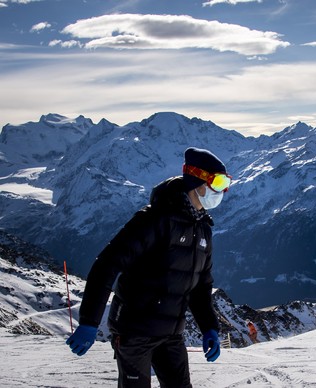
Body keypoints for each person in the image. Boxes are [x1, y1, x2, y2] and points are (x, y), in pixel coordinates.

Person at [66, 147, 231, 387]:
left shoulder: (202, 229)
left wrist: (209, 328)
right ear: (198, 180)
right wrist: (89, 321)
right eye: (218, 181)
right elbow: (107, 264)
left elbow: (201, 287)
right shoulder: (155, 219)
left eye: (226, 182)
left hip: (171, 332)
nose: (222, 190)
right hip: (135, 330)